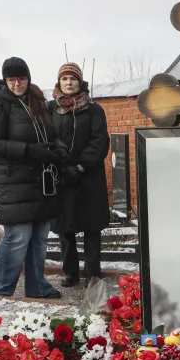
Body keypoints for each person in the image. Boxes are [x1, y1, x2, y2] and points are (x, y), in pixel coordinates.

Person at [0, 57, 62, 299]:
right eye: (12, 79)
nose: (18, 83)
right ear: (5, 81)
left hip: (41, 180)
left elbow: (51, 133)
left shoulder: (36, 102)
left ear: (28, 78)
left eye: (22, 78)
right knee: (17, 238)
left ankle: (37, 285)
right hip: (13, 181)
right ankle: (0, 286)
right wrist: (28, 150)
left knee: (39, 237)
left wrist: (59, 148)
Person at [48, 62, 110, 287]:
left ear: (80, 82)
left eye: (73, 79)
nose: (69, 82)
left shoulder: (94, 109)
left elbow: (99, 141)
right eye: (64, 79)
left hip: (89, 177)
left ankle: (93, 273)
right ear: (59, 82)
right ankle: (70, 272)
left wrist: (82, 166)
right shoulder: (50, 109)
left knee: (91, 227)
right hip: (62, 176)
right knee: (65, 228)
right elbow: (48, 137)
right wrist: (60, 165)